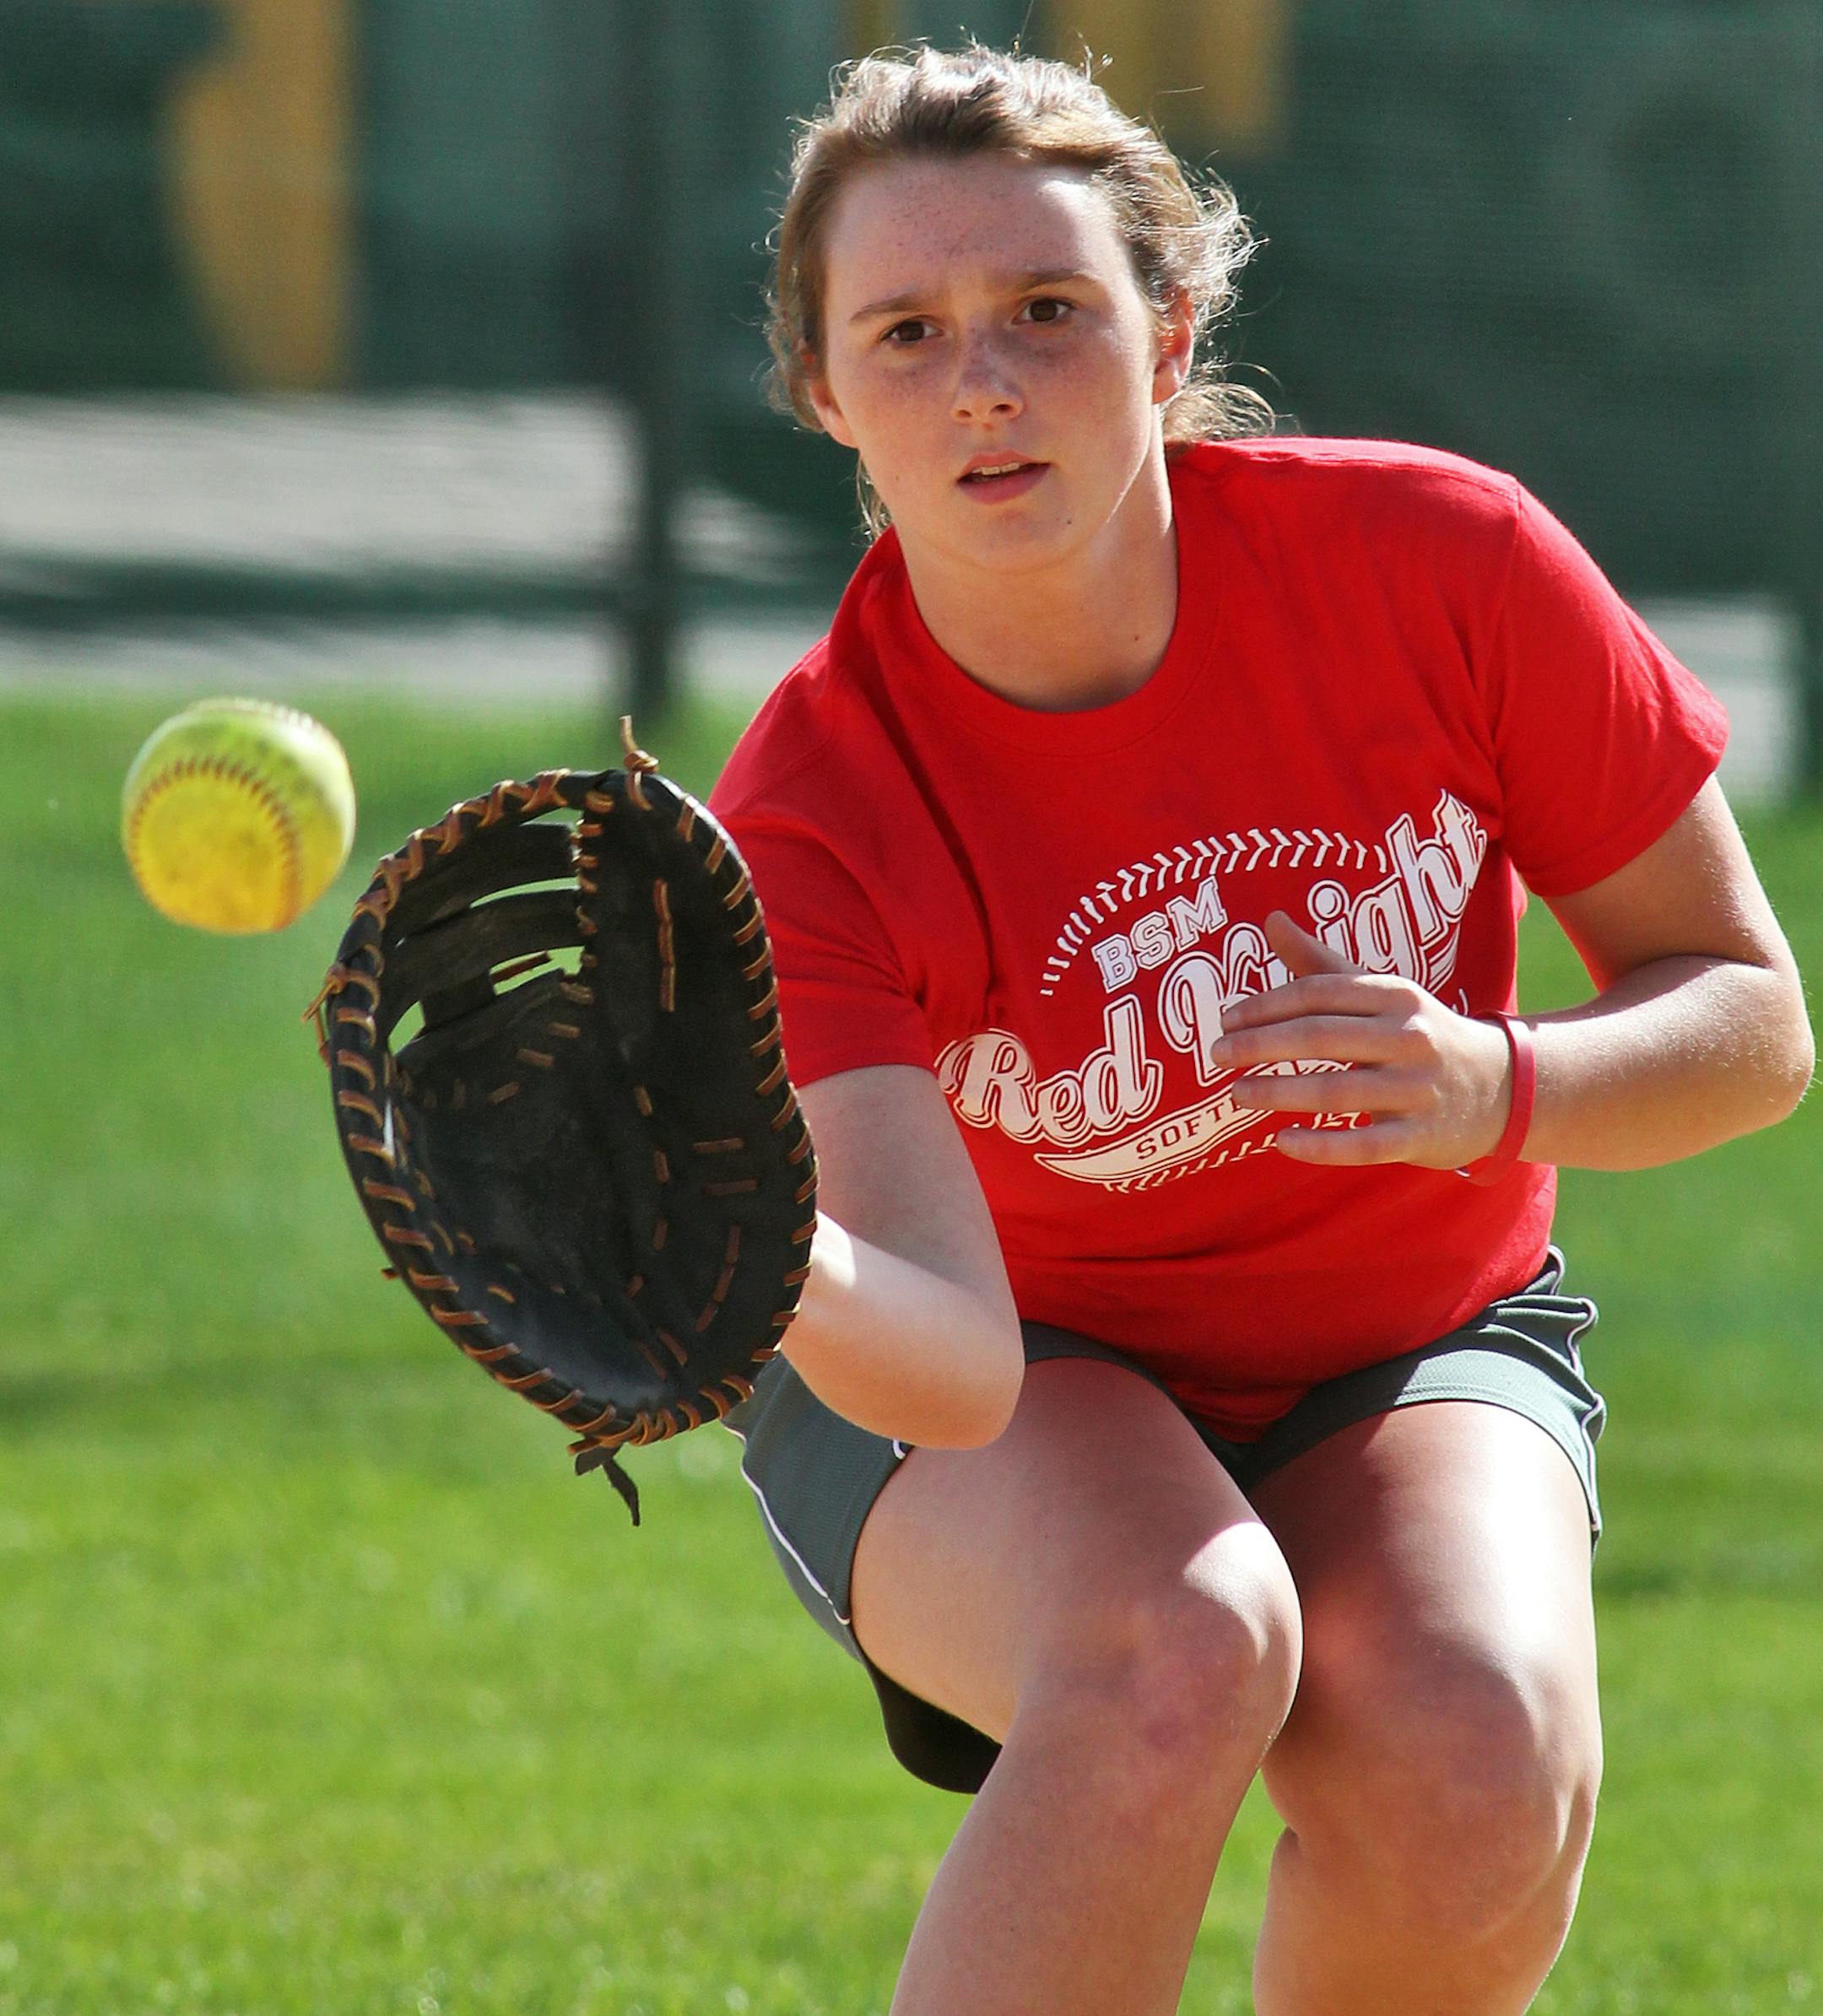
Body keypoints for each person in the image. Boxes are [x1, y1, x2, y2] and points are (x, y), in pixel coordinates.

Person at [707, 44, 1813, 2016]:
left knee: (1475, 1752)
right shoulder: (816, 806)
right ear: (824, 397)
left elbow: (1748, 1018)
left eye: (1050, 309)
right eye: (908, 331)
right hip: (1001, 1364)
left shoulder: (1439, 568)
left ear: (1170, 326)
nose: (984, 377)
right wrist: (751, 1244)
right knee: (1173, 1642)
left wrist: (1508, 1082)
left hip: (1404, 1329)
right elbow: (948, 1363)